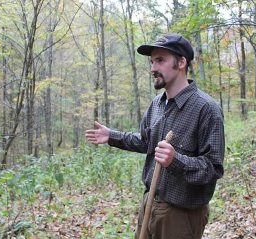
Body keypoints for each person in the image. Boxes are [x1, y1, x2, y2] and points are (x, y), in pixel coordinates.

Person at [85, 33, 225, 239]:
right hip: (149, 204)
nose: (153, 68)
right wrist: (111, 136)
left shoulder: (206, 109)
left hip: (181, 215)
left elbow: (213, 168)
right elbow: (145, 142)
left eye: (160, 60)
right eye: (152, 61)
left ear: (181, 62)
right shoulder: (157, 104)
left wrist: (175, 160)